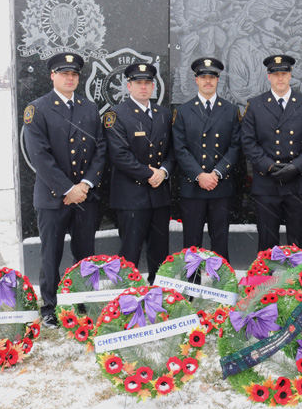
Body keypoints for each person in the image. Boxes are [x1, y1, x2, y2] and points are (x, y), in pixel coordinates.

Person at [22, 52, 106, 328]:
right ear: (52, 76)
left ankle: (82, 300)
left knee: (85, 252)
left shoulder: (89, 108)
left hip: (85, 196)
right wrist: (67, 188)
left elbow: (100, 150)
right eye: (64, 73)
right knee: (51, 254)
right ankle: (49, 305)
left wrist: (85, 185)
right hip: (53, 197)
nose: (70, 78)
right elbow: (39, 156)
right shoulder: (38, 108)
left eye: (74, 74)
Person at [104, 63, 174, 284]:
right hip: (131, 196)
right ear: (129, 86)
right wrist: (148, 174)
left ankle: (159, 294)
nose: (143, 87)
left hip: (159, 195)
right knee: (130, 254)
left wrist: (163, 171)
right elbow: (119, 155)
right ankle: (126, 297)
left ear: (153, 86)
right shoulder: (116, 115)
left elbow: (173, 150)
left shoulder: (163, 113)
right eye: (138, 83)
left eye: (147, 83)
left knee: (160, 253)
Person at [241, 54, 302, 251]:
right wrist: (268, 165)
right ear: (269, 76)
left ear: (291, 75)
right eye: (276, 74)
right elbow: (248, 142)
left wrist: (296, 167)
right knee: (267, 243)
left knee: (298, 243)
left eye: (284, 73)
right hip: (267, 182)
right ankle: (268, 282)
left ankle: (299, 281)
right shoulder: (255, 104)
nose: (280, 78)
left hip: (297, 183)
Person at [173, 57, 241, 260]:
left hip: (220, 187)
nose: (208, 81)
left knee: (220, 242)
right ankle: (191, 290)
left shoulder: (231, 110)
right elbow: (180, 148)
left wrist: (217, 173)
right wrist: (199, 175)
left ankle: (222, 288)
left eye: (212, 77)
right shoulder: (183, 111)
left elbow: (235, 146)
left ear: (218, 79)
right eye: (203, 77)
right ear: (196, 80)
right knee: (191, 246)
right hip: (193, 187)